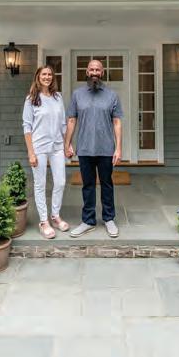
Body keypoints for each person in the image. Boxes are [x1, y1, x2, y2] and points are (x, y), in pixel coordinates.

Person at [64, 59, 123, 238]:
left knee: (107, 184)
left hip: (106, 148)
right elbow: (71, 120)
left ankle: (109, 219)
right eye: (92, 69)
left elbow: (117, 122)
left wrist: (118, 148)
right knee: (88, 186)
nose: (95, 72)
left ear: (102, 73)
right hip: (84, 148)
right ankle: (88, 221)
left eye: (98, 69)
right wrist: (67, 143)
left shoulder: (112, 95)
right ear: (87, 72)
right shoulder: (77, 94)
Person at [22, 66, 69, 239]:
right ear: (38, 77)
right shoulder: (31, 99)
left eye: (50, 74)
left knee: (61, 182)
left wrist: (67, 144)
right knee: (40, 184)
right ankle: (43, 221)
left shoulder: (58, 97)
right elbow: (27, 126)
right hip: (39, 147)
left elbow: (63, 123)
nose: (47, 77)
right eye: (44, 74)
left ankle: (55, 216)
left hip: (57, 146)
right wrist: (31, 152)